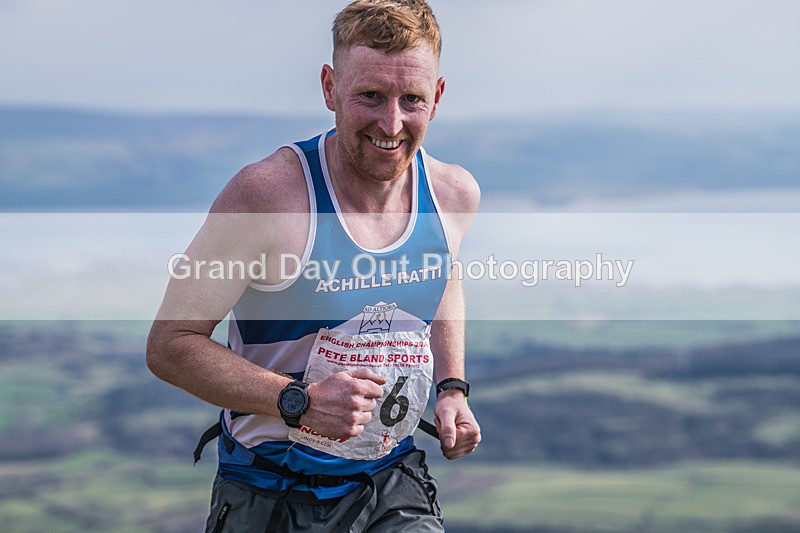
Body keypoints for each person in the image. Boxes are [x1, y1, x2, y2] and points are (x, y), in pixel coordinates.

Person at [147, 0, 481, 531]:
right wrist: (297, 401)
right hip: (271, 491)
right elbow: (170, 346)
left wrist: (451, 387)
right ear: (329, 88)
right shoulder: (267, 196)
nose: (390, 123)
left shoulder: (452, 194)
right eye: (370, 96)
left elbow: (442, 276)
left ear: (437, 97)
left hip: (393, 483)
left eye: (411, 99)